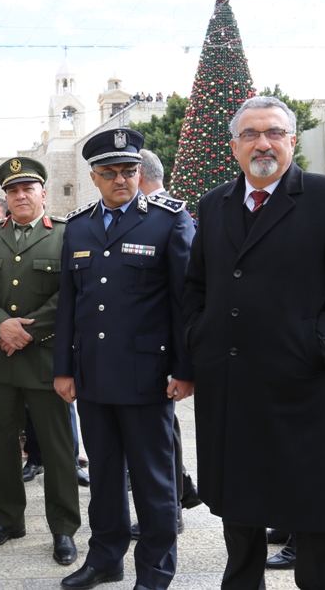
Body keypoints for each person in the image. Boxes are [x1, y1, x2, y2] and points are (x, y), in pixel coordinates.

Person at [183, 95, 325, 589]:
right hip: (231, 385)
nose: (263, 143)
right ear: (234, 147)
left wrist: (319, 344)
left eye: (274, 132)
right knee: (238, 506)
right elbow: (196, 286)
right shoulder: (214, 204)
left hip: (303, 386)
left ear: (292, 141)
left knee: (311, 511)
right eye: (250, 134)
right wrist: (200, 338)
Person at [55, 130, 194, 590]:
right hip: (93, 374)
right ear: (93, 177)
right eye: (110, 173)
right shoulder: (77, 226)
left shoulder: (168, 221)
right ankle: (105, 558)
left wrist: (185, 368)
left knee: (154, 484)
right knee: (105, 477)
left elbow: (183, 302)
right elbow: (69, 305)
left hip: (146, 376)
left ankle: (154, 572)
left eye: (129, 171)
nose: (121, 180)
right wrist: (64, 368)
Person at [0, 157, 81, 567]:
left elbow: (71, 292)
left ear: (43, 194)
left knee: (56, 449)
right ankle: (8, 519)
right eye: (12, 191)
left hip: (46, 358)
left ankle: (64, 529)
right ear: (6, 197)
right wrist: (2, 325)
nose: (20, 196)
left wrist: (27, 331)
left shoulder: (66, 235)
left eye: (27, 189)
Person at [135, 149, 202, 522]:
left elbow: (183, 294)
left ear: (138, 176)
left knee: (159, 432)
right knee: (162, 429)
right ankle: (180, 491)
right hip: (145, 347)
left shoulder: (169, 216)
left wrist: (182, 361)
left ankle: (171, 505)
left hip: (158, 346)